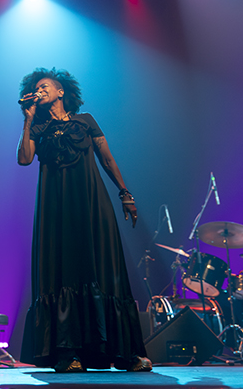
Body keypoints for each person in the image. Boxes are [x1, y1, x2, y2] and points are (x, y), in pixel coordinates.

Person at [17, 68, 151, 373]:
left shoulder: (86, 121)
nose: (39, 90)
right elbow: (24, 159)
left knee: (105, 269)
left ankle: (124, 352)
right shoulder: (37, 128)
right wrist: (27, 120)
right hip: (57, 210)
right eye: (35, 88)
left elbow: (107, 158)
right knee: (63, 273)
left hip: (92, 204)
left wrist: (125, 193)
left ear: (61, 92)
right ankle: (68, 353)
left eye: (45, 86)